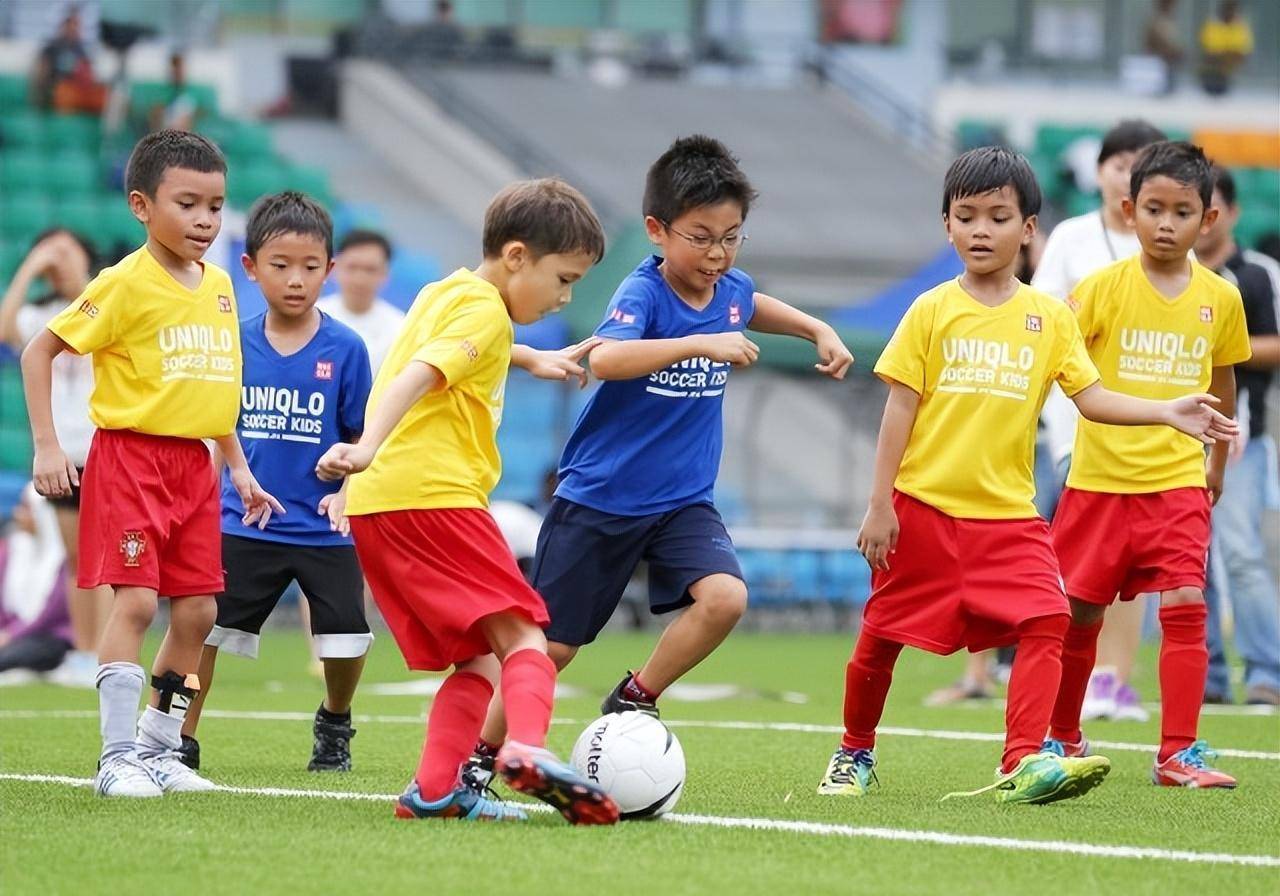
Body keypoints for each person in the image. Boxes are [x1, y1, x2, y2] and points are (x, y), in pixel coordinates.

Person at [818, 146, 1237, 803]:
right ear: (946, 226)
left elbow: (1092, 398)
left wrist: (1166, 410)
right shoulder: (931, 309)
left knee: (1048, 615)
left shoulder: (1049, 319)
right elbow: (899, 409)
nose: (981, 230)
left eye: (998, 216)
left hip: (1009, 516)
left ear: (1028, 228)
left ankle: (1023, 760)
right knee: (881, 637)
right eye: (966, 216)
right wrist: (881, 504)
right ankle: (853, 752)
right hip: (923, 508)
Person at [466, 135, 854, 779]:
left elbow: (752, 304)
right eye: (701, 236)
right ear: (657, 230)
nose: (718, 253)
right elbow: (609, 358)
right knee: (553, 647)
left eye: (732, 236)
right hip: (600, 497)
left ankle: (636, 696)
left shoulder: (731, 290)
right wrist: (701, 343)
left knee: (726, 598)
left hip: (681, 502)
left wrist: (817, 327)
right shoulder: (643, 292)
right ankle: (480, 758)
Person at [315, 178, 619, 825]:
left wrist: (530, 357)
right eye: (562, 279)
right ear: (516, 257)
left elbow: (454, 351)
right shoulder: (483, 310)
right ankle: (529, 750)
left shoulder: (446, 292)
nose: (565, 296)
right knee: (525, 635)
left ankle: (434, 792)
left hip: (382, 506)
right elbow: (422, 373)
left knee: (476, 657)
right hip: (433, 495)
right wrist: (365, 444)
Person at [21, 129, 281, 798]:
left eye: (216, 206)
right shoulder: (123, 283)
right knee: (135, 601)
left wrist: (240, 468)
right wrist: (49, 446)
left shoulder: (221, 286)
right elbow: (38, 353)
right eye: (187, 203)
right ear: (141, 205)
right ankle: (115, 759)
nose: (204, 219)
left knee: (198, 614)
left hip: (197, 469)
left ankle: (159, 748)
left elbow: (216, 388)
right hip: (132, 461)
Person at [1043, 141, 1251, 789]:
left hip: (1178, 481)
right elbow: (1061, 365)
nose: (1166, 223)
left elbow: (1223, 385)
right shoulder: (1099, 291)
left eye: (1182, 211)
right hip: (1099, 482)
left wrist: (1216, 461)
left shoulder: (1222, 298)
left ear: (1207, 220)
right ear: (1129, 211)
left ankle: (1178, 752)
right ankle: (1060, 735)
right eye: (1154, 208)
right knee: (1078, 612)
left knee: (1187, 601)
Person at [176, 192, 375, 774]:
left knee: (345, 641)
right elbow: (214, 429)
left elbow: (366, 438)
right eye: (280, 265)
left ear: (329, 271)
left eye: (311, 267)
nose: (296, 280)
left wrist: (348, 489)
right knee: (205, 631)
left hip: (324, 528)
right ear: (251, 266)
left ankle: (334, 722)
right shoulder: (232, 341)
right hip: (243, 521)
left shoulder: (346, 348)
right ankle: (182, 737)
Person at [1034, 119, 1168, 724]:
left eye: (1141, 162)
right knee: (1079, 555)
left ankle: (1114, 680)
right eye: (1119, 161)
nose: (1126, 171)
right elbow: (1042, 314)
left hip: (1147, 425)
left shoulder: (1165, 248)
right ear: (1102, 172)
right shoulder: (1073, 237)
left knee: (1132, 562)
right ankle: (1060, 670)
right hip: (1077, 419)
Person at [0, 228, 110, 688]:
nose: (58, 258)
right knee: (76, 559)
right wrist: (31, 267)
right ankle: (84, 653)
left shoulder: (104, 301)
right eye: (51, 251)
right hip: (62, 457)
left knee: (106, 561)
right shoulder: (43, 317)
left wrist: (73, 272)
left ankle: (108, 654)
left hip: (104, 449)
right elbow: (6, 331)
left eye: (68, 250)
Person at [1194, 166, 1280, 706]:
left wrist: (1219, 348)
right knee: (1188, 562)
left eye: (1206, 208)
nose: (1199, 222)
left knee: (1242, 552)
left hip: (1240, 433)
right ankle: (1209, 678)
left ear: (1229, 214)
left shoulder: (1253, 274)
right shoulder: (1166, 275)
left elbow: (1274, 345)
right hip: (1175, 437)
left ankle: (1266, 672)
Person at [0, 486, 72, 683]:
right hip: (15, 634)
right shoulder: (12, 548)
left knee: (23, 653)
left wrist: (11, 634)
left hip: (49, 638)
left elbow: (50, 615)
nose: (17, 514)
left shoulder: (63, 557)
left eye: (26, 508)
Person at [318, 230, 404, 373]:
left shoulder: (400, 327)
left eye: (370, 270)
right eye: (352, 267)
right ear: (334, 268)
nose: (360, 279)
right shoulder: (312, 316)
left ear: (385, 274)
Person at [31, 6, 105, 114]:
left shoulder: (81, 49)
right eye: (71, 25)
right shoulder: (52, 47)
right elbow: (41, 74)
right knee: (64, 94)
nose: (74, 29)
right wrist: (40, 95)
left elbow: (89, 74)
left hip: (79, 90)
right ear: (64, 26)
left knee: (105, 95)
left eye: (77, 26)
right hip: (60, 90)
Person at [1199, 0, 1253, 95]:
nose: (1229, 12)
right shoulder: (1212, 26)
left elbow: (1242, 55)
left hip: (1233, 73)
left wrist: (1226, 56)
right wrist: (1228, 56)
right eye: (1227, 9)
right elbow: (1210, 54)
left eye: (1232, 9)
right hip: (1213, 72)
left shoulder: (1240, 27)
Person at [1145, 0, 1184, 95]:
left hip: (1169, 69)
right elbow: (1150, 46)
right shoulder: (1155, 22)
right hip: (1157, 70)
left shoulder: (1170, 21)